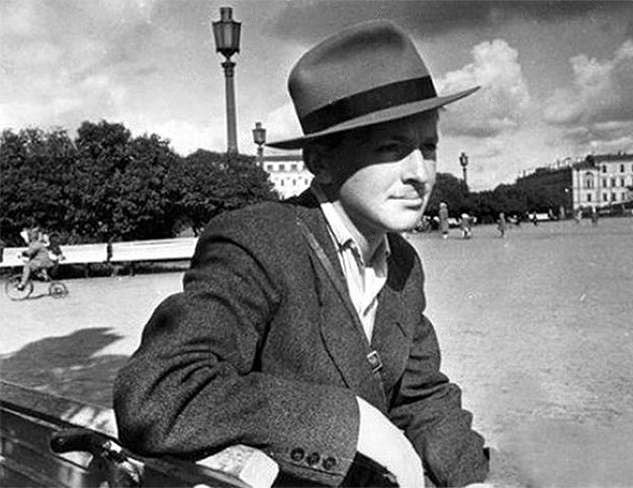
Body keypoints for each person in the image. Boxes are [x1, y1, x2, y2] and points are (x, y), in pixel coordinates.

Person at [114, 20, 489, 487]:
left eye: (428, 147)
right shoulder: (260, 242)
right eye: (391, 148)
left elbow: (421, 396)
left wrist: (472, 479)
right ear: (320, 163)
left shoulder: (404, 264)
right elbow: (155, 395)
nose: (420, 173)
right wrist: (351, 421)